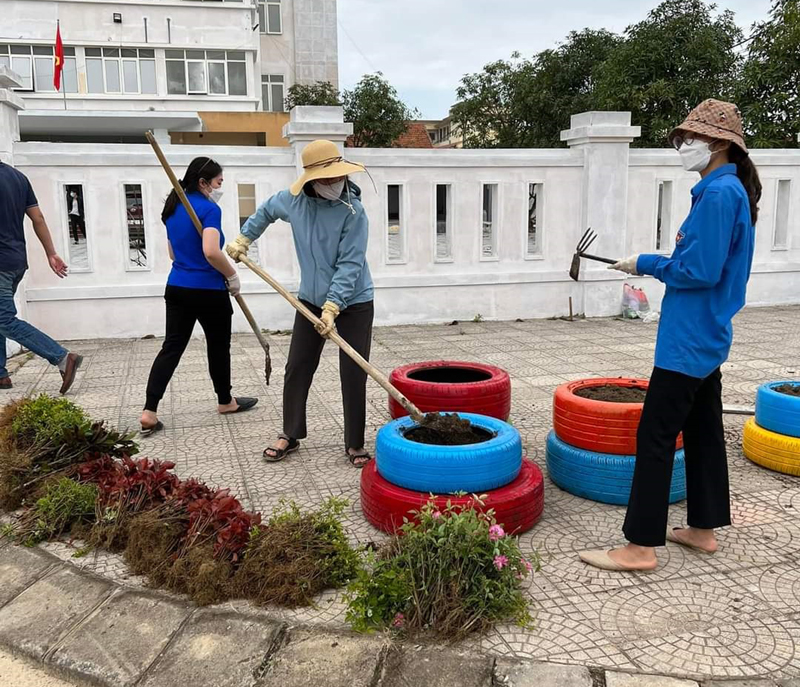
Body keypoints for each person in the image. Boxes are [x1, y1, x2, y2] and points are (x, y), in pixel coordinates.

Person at [579, 99, 761, 572]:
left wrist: (648, 263)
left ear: (720, 144)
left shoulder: (720, 195)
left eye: (691, 139)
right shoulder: (723, 190)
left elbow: (698, 270)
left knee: (655, 436)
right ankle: (702, 529)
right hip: (706, 334)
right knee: (702, 431)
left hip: (688, 340)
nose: (684, 146)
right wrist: (654, 263)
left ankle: (640, 546)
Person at [226, 139, 374, 468]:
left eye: (339, 178)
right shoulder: (294, 202)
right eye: (329, 179)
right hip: (309, 299)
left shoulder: (354, 212)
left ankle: (354, 443)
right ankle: (290, 433)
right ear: (312, 180)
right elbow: (265, 211)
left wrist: (333, 307)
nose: (336, 184)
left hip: (353, 302)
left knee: (353, 372)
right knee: (297, 367)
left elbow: (350, 265)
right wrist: (244, 238)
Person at [140, 157, 257, 436]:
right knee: (218, 347)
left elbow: (172, 253)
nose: (219, 188)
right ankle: (225, 401)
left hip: (178, 287)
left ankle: (149, 410)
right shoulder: (208, 209)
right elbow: (211, 251)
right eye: (218, 182)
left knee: (172, 348)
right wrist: (231, 275)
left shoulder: (172, 208)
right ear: (204, 182)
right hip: (208, 291)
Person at [0, 161, 82, 393]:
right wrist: (51, 253)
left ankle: (63, 358)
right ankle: (0, 375)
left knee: (4, 319)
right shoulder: (17, 177)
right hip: (16, 261)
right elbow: (38, 218)